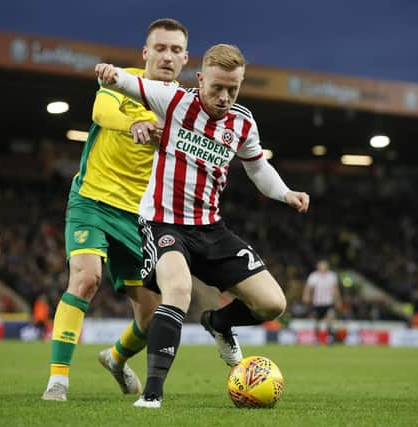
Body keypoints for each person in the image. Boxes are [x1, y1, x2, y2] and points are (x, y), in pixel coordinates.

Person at [96, 43, 310, 408]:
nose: (225, 97)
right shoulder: (176, 101)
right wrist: (112, 75)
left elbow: (257, 168)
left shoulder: (243, 122)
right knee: (178, 290)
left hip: (210, 228)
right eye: (218, 88)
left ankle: (219, 323)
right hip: (163, 222)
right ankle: (152, 393)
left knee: (273, 304)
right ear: (200, 80)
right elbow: (134, 86)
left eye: (233, 89)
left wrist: (286, 193)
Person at [41, 18, 190, 401]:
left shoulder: (184, 109)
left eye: (175, 50)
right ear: (146, 53)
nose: (167, 56)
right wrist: (135, 120)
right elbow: (100, 112)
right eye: (160, 48)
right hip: (92, 199)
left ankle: (116, 358)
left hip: (140, 217)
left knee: (151, 313)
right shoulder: (122, 81)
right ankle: (58, 380)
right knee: (87, 279)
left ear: (186, 59)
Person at [302, 259, 341, 343]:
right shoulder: (314, 276)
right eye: (321, 265)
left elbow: (335, 289)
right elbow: (308, 288)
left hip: (329, 303)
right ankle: (316, 338)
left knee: (330, 320)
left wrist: (338, 300)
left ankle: (330, 338)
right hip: (317, 303)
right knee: (317, 321)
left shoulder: (332, 276)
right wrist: (306, 296)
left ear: (327, 267)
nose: (322, 267)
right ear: (318, 267)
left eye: (324, 265)